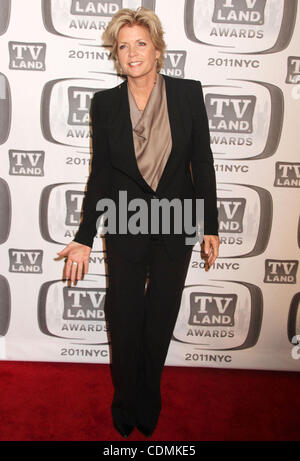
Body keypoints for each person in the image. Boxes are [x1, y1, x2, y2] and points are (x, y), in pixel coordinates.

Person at [57, 7, 220, 438]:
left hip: (177, 222)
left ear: (157, 48)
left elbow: (201, 161)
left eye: (140, 43)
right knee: (125, 316)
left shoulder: (188, 94)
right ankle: (125, 396)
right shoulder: (106, 103)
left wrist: (210, 225)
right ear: (116, 54)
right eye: (123, 45)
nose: (132, 53)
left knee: (161, 316)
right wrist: (84, 237)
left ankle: (149, 397)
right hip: (127, 224)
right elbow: (102, 174)